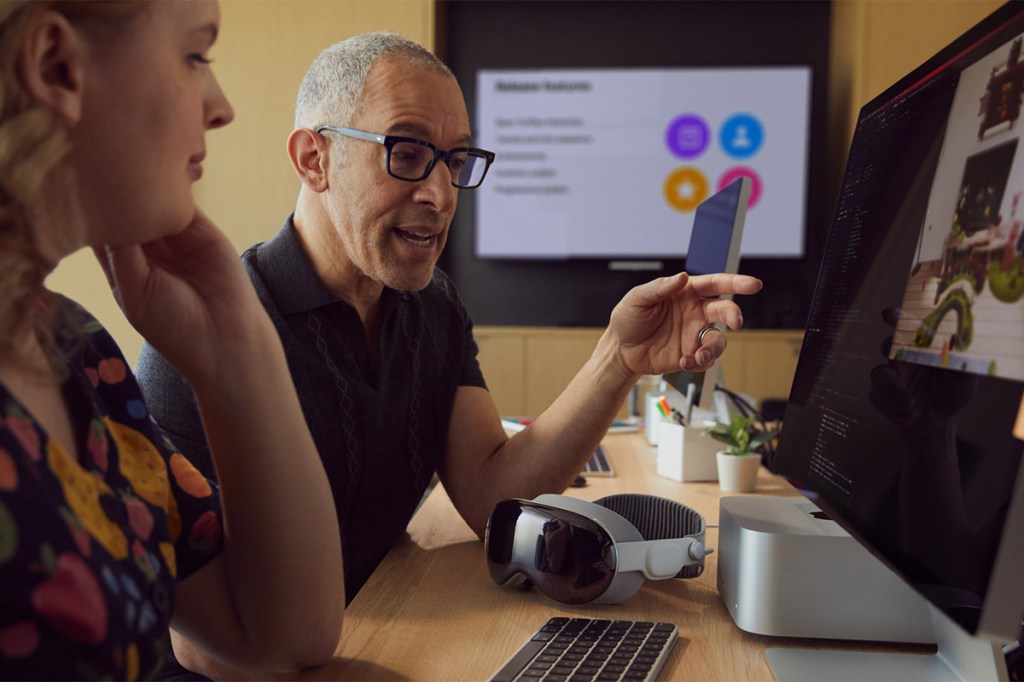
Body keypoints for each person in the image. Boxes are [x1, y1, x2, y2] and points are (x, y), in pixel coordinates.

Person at [136, 31, 762, 678]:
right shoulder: (203, 336)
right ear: (314, 159)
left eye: (456, 161)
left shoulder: (430, 306)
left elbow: (492, 492)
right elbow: (208, 651)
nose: (440, 193)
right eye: (406, 153)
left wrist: (618, 359)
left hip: (379, 629)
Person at [0, 1, 344, 679]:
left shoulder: (80, 354)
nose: (220, 108)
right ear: (55, 67)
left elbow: (284, 636)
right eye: (196, 55)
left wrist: (235, 349)